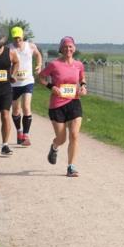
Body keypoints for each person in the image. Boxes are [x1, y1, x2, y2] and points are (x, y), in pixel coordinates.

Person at [39, 37, 87, 178]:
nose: (68, 49)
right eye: (65, 47)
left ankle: (71, 167)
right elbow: (41, 77)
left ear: (74, 48)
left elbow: (82, 78)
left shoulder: (79, 64)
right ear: (61, 49)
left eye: (70, 47)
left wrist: (83, 87)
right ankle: (54, 147)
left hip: (74, 102)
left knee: (74, 135)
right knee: (61, 139)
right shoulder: (54, 64)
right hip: (57, 104)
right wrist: (51, 86)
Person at [9, 26, 42, 146]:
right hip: (14, 83)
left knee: (26, 107)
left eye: (19, 37)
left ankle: (26, 136)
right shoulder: (9, 48)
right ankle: (19, 132)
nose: (17, 40)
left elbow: (38, 55)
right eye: (15, 38)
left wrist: (39, 65)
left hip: (28, 81)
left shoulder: (31, 46)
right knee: (16, 110)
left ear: (22, 36)